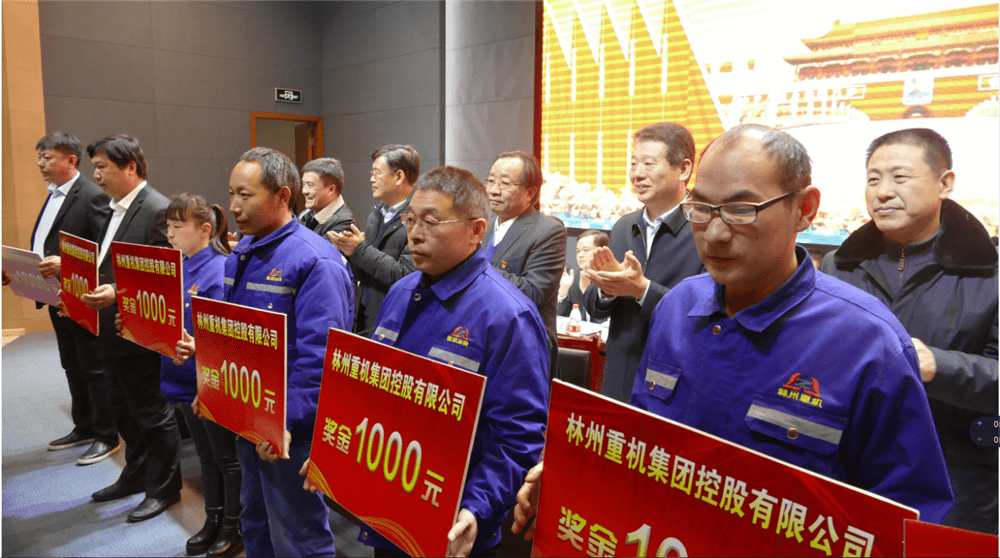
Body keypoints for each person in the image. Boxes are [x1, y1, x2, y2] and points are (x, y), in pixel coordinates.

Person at [512, 124, 955, 538]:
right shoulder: (678, 308)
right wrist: (577, 473)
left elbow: (909, 519)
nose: (716, 233)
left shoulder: (866, 341)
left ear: (805, 209)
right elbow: (643, 449)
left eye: (742, 210)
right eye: (702, 209)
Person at [304, 166, 549, 557]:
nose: (415, 234)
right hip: (388, 507)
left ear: (476, 231)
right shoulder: (401, 293)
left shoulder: (508, 316)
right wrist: (333, 458)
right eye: (411, 220)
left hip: (452, 523)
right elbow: (375, 395)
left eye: (431, 223)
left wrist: (477, 508)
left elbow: (517, 436)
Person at [822, 128, 998, 534]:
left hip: (956, 481)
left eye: (899, 177)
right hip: (851, 473)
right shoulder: (839, 266)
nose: (883, 192)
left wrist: (938, 365)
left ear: (944, 183)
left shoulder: (990, 272)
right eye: (873, 179)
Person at [195, 147, 354, 557]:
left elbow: (321, 358)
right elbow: (231, 337)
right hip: (250, 414)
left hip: (291, 429)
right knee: (256, 520)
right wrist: (213, 388)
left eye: (245, 195)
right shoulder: (242, 252)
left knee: (299, 535)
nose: (234, 206)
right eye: (232, 194)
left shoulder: (316, 260)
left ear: (283, 196)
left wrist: (285, 420)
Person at [81, 134, 183, 523]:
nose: (96, 175)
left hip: (141, 333)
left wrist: (118, 293)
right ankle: (137, 474)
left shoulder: (157, 209)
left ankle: (164, 488)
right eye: (94, 167)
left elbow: (165, 276)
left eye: (102, 167)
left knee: (152, 413)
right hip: (112, 328)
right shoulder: (113, 209)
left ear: (130, 167)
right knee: (123, 409)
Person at [583, 122, 704, 402]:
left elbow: (705, 317)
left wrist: (642, 290)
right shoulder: (624, 226)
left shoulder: (704, 229)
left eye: (649, 164)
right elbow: (594, 307)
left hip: (673, 388)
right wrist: (606, 288)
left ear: (684, 169)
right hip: (617, 380)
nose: (637, 174)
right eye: (633, 164)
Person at [26, 132, 117, 465]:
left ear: (70, 160)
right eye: (39, 157)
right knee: (72, 364)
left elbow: (107, 253)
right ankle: (85, 426)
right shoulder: (54, 194)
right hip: (57, 296)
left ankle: (107, 434)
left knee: (93, 366)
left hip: (85, 297)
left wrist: (66, 265)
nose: (40, 164)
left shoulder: (92, 196)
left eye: (47, 157)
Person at [161, 194, 243, 556]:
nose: (170, 233)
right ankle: (212, 518)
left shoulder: (218, 268)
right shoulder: (179, 264)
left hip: (209, 380)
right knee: (205, 455)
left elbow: (222, 336)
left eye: (178, 226)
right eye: (168, 226)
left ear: (205, 230)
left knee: (226, 458)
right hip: (182, 378)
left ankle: (232, 526)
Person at [483, 150, 566, 377]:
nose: (494, 190)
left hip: (524, 347)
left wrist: (475, 266)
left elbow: (534, 292)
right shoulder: (484, 227)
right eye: (491, 181)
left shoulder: (548, 230)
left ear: (530, 193)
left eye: (505, 183)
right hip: (483, 338)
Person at [329, 144, 418, 335]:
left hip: (395, 323)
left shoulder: (417, 218)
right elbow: (365, 272)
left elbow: (406, 275)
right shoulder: (376, 215)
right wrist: (349, 251)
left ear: (399, 176)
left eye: (377, 173)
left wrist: (360, 249)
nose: (371, 179)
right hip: (366, 318)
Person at [557, 229, 609, 323]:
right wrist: (563, 292)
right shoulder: (575, 278)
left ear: (602, 252)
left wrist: (586, 291)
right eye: (578, 251)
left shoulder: (611, 281)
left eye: (586, 250)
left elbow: (602, 323)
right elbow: (560, 319)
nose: (580, 255)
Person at [297, 157, 357, 238]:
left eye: (310, 185)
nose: (304, 191)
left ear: (331, 189)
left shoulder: (344, 223)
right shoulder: (306, 214)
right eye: (304, 184)